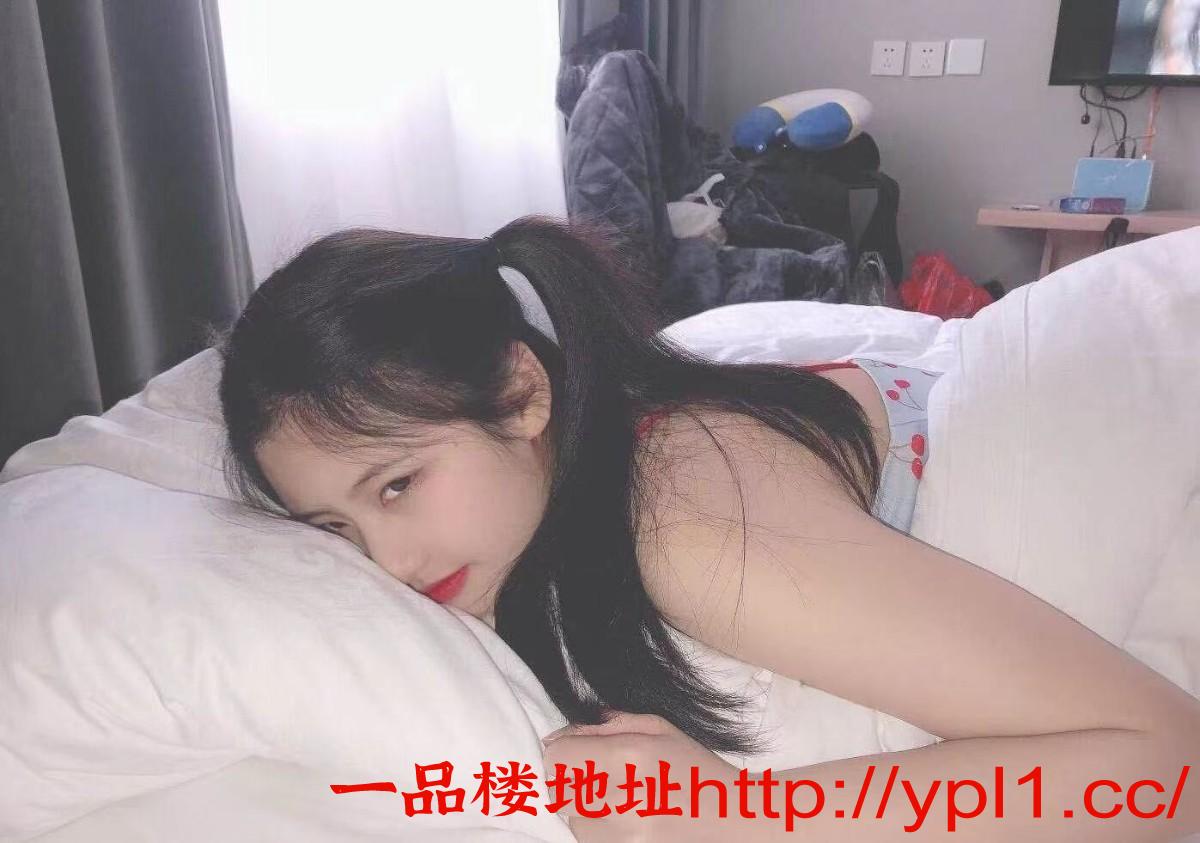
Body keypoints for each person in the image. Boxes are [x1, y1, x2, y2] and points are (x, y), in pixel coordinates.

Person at [214, 216, 1199, 841]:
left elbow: (1164, 767)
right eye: (334, 527)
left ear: (521, 393)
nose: (386, 563)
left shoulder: (690, 530)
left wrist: (744, 819)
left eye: (397, 485)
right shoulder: (585, 465)